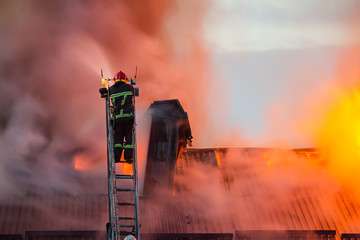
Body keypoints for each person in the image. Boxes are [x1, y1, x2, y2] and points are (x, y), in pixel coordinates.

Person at [109, 71, 134, 163]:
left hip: (118, 119)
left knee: (118, 139)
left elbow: (106, 94)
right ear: (125, 80)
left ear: (115, 80)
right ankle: (128, 157)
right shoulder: (130, 87)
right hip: (128, 118)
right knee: (129, 138)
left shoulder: (111, 89)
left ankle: (116, 157)